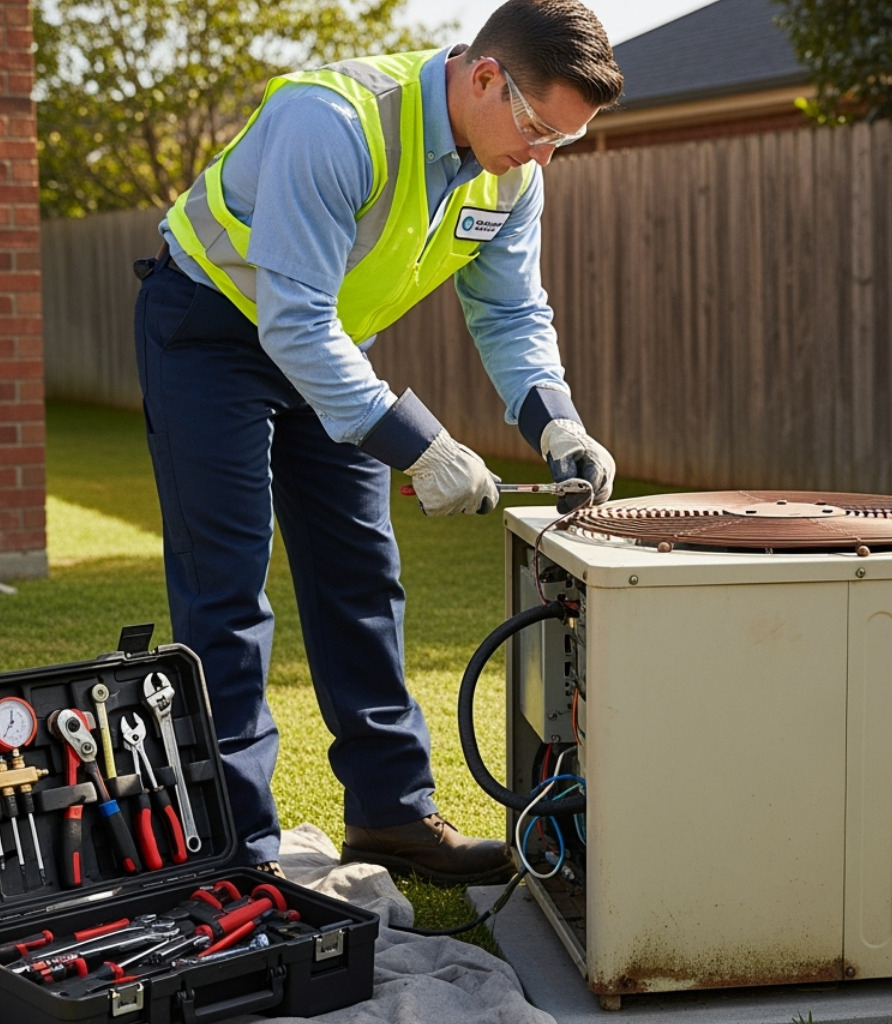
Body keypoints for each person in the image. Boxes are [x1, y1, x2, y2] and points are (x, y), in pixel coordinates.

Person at [132, 0, 624, 885]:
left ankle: (392, 820)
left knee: (362, 576)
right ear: (484, 78)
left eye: (566, 140)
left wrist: (557, 422)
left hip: (325, 344)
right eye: (541, 128)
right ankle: (238, 854)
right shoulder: (333, 122)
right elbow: (291, 320)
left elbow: (512, 312)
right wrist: (422, 446)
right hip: (208, 331)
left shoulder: (512, 174)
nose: (545, 154)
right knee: (228, 589)